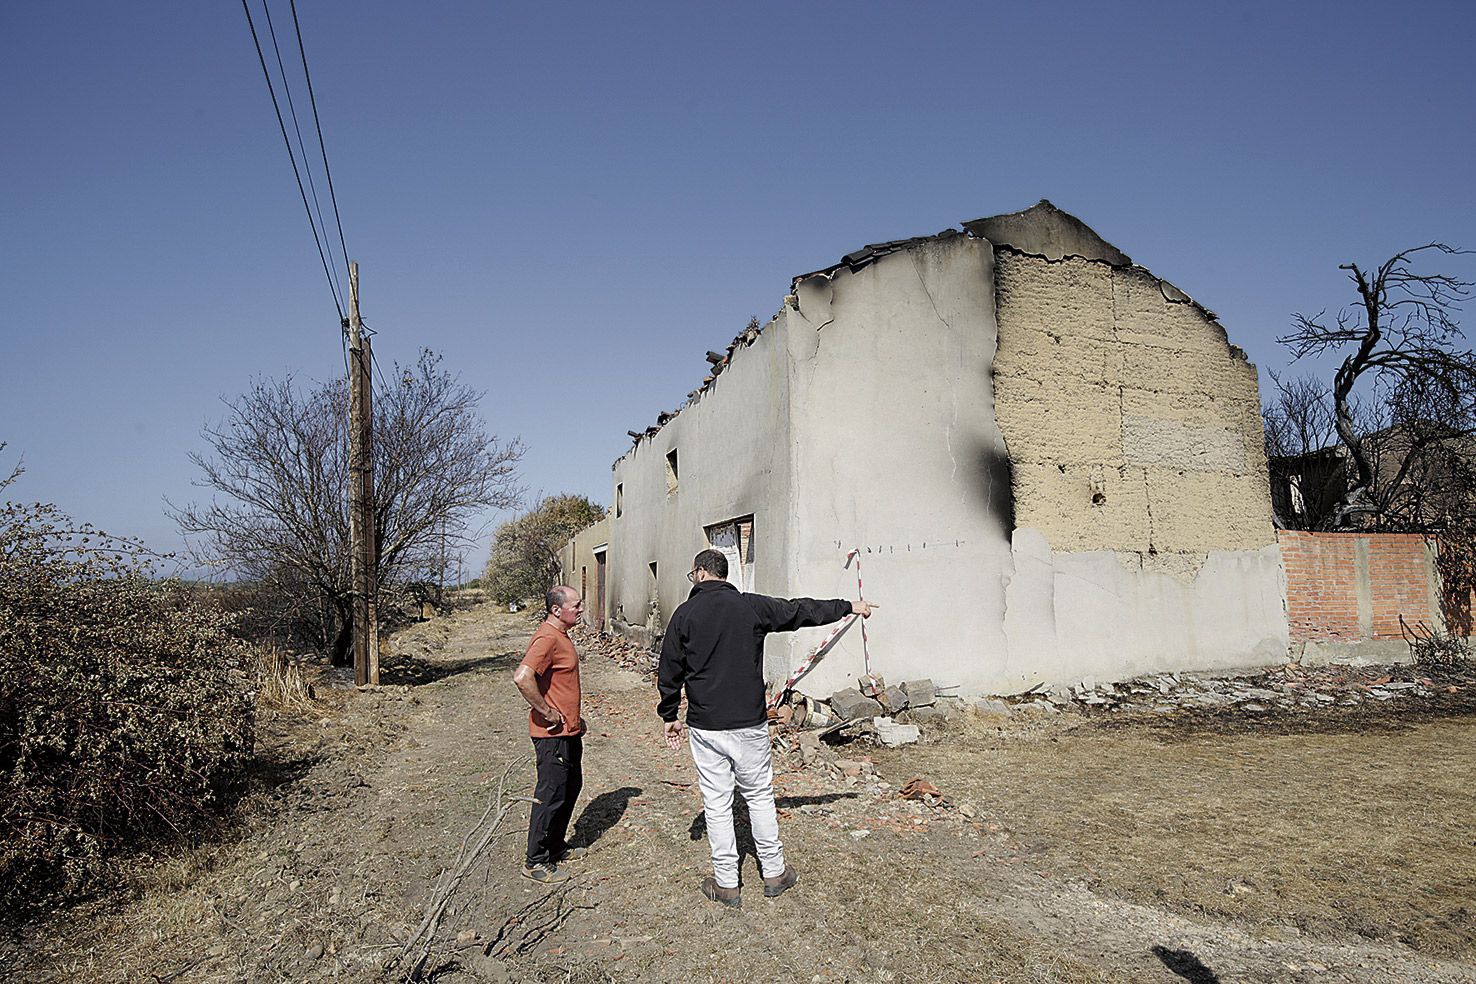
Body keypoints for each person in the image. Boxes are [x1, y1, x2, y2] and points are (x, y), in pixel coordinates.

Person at [658, 549, 876, 907]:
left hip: (706, 725)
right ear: (723, 575)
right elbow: (800, 610)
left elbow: (669, 672)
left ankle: (727, 883)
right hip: (749, 723)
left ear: (699, 573)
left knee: (716, 802)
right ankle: (774, 872)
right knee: (758, 796)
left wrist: (670, 716)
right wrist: (849, 605)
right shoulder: (751, 607)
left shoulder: (684, 615)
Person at [513, 585, 589, 883]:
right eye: (576, 605)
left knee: (570, 787)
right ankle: (536, 860)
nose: (580, 609)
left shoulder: (560, 636)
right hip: (551, 735)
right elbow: (522, 677)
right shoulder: (547, 637)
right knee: (551, 794)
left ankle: (555, 846)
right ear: (557, 610)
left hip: (569, 731)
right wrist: (547, 712)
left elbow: (558, 683)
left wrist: (574, 718)